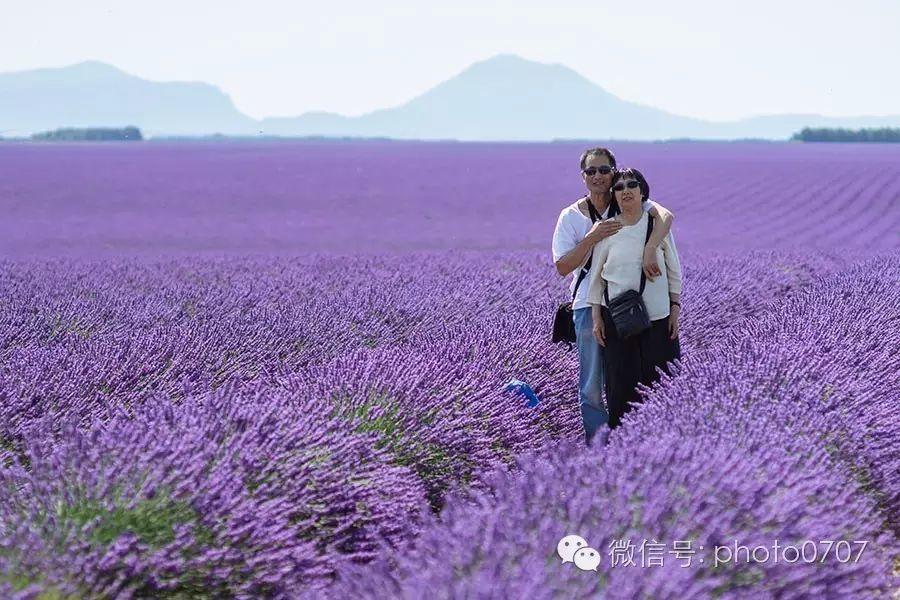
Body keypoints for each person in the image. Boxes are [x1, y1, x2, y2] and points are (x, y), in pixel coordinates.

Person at [551, 148, 675, 444]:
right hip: (586, 305)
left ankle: (635, 440)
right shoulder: (570, 217)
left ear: (613, 172)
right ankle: (599, 447)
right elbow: (562, 266)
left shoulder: (628, 199)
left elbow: (666, 216)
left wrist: (649, 248)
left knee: (627, 378)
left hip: (627, 306)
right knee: (592, 384)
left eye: (604, 170)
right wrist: (593, 236)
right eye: (591, 171)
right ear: (583, 177)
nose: (598, 176)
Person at [587, 167, 682, 429]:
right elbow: (596, 279)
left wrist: (675, 307)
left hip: (658, 317)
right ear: (614, 196)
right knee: (621, 386)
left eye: (632, 185)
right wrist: (596, 317)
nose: (626, 190)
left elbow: (674, 270)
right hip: (618, 320)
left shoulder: (656, 227)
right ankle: (622, 445)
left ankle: (666, 437)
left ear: (643, 192)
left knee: (663, 382)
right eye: (619, 187)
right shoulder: (607, 230)